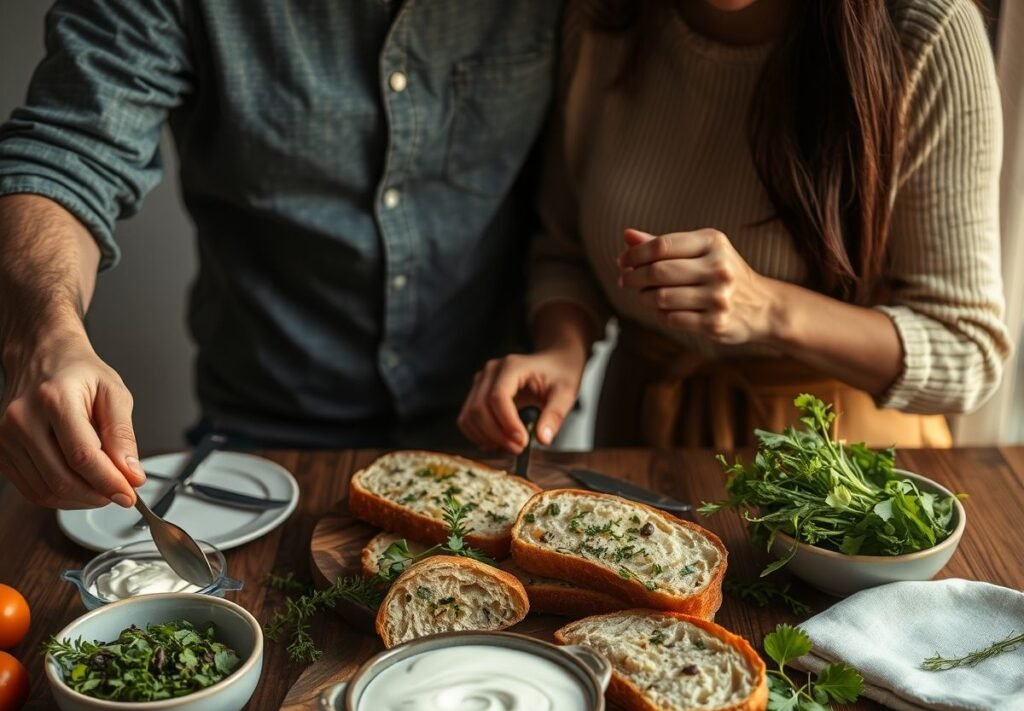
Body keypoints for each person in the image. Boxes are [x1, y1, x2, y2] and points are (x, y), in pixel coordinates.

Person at [0, 0, 563, 509]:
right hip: (262, 434)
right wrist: (47, 335)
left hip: (498, 426)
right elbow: (65, 155)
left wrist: (568, 340)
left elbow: (575, 194)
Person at [458, 0, 1011, 454]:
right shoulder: (602, 16)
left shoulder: (928, 31)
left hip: (842, 474)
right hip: (640, 445)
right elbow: (566, 249)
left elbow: (968, 352)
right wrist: (563, 349)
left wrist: (768, 308)